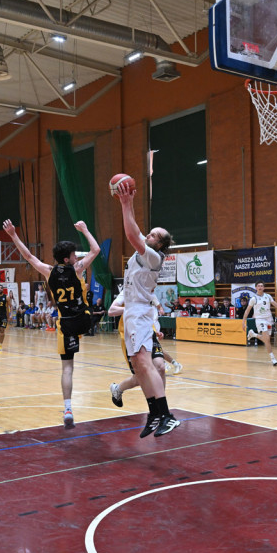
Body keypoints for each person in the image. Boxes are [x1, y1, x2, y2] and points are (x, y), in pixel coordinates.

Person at [3, 219, 100, 429]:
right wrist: (84, 230)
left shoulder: (49, 271)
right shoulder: (78, 269)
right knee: (88, 308)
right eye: (74, 255)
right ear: (67, 259)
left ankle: (68, 408)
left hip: (66, 324)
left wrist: (13, 235)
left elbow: (28, 256)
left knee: (67, 368)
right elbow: (96, 249)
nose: (77, 258)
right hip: (84, 319)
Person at [115, 178, 179, 438]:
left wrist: (124, 203)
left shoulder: (153, 256)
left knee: (145, 362)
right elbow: (135, 229)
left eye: (153, 235)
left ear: (160, 244)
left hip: (140, 312)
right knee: (139, 365)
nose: (148, 235)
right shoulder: (146, 250)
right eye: (149, 233)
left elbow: (132, 234)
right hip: (133, 312)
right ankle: (154, 415)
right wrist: (129, 203)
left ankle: (167, 415)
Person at [108, 292, 169, 407]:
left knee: (160, 367)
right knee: (140, 377)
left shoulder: (149, 292)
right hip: (131, 337)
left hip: (149, 333)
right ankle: (118, 389)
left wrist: (155, 331)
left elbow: (148, 314)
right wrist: (131, 309)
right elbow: (111, 311)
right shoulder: (127, 291)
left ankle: (161, 408)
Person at [243, 281, 277, 366]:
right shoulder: (254, 299)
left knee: (266, 339)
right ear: (256, 288)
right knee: (267, 340)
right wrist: (243, 322)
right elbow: (247, 311)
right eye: (258, 286)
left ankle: (253, 334)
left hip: (269, 319)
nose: (260, 287)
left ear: (264, 288)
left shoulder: (268, 296)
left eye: (261, 286)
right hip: (260, 320)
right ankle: (273, 358)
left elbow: (276, 305)